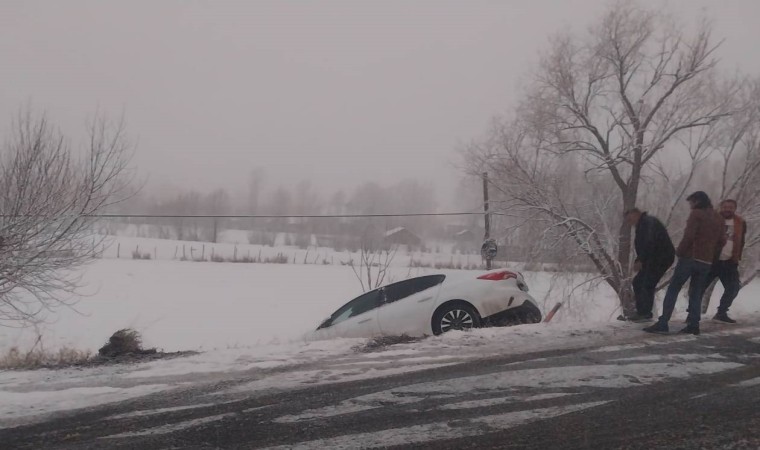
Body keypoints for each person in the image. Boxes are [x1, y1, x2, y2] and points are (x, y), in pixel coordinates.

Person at [644, 191, 726, 335]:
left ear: (697, 201)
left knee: (673, 289)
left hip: (690, 258)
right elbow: (722, 241)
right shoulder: (719, 218)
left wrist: (680, 252)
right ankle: (694, 325)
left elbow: (689, 235)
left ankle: (663, 322)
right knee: (696, 293)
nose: (690, 206)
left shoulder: (696, 214)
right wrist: (712, 256)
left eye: (691, 203)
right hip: (706, 261)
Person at [622, 208, 675, 322]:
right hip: (653, 258)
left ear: (636, 214)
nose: (630, 223)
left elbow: (649, 242)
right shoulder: (642, 224)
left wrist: (641, 260)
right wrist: (639, 259)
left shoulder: (647, 223)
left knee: (647, 283)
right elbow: (643, 246)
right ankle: (642, 312)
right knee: (638, 282)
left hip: (661, 257)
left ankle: (645, 313)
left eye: (630, 219)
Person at [703, 199, 747, 323]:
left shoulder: (740, 222)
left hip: (729, 261)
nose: (728, 209)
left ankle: (721, 312)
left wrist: (737, 257)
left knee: (733, 287)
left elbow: (741, 241)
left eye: (731, 207)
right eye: (725, 207)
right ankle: (691, 314)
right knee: (699, 287)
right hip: (711, 260)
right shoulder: (712, 219)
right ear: (721, 207)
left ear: (735, 208)